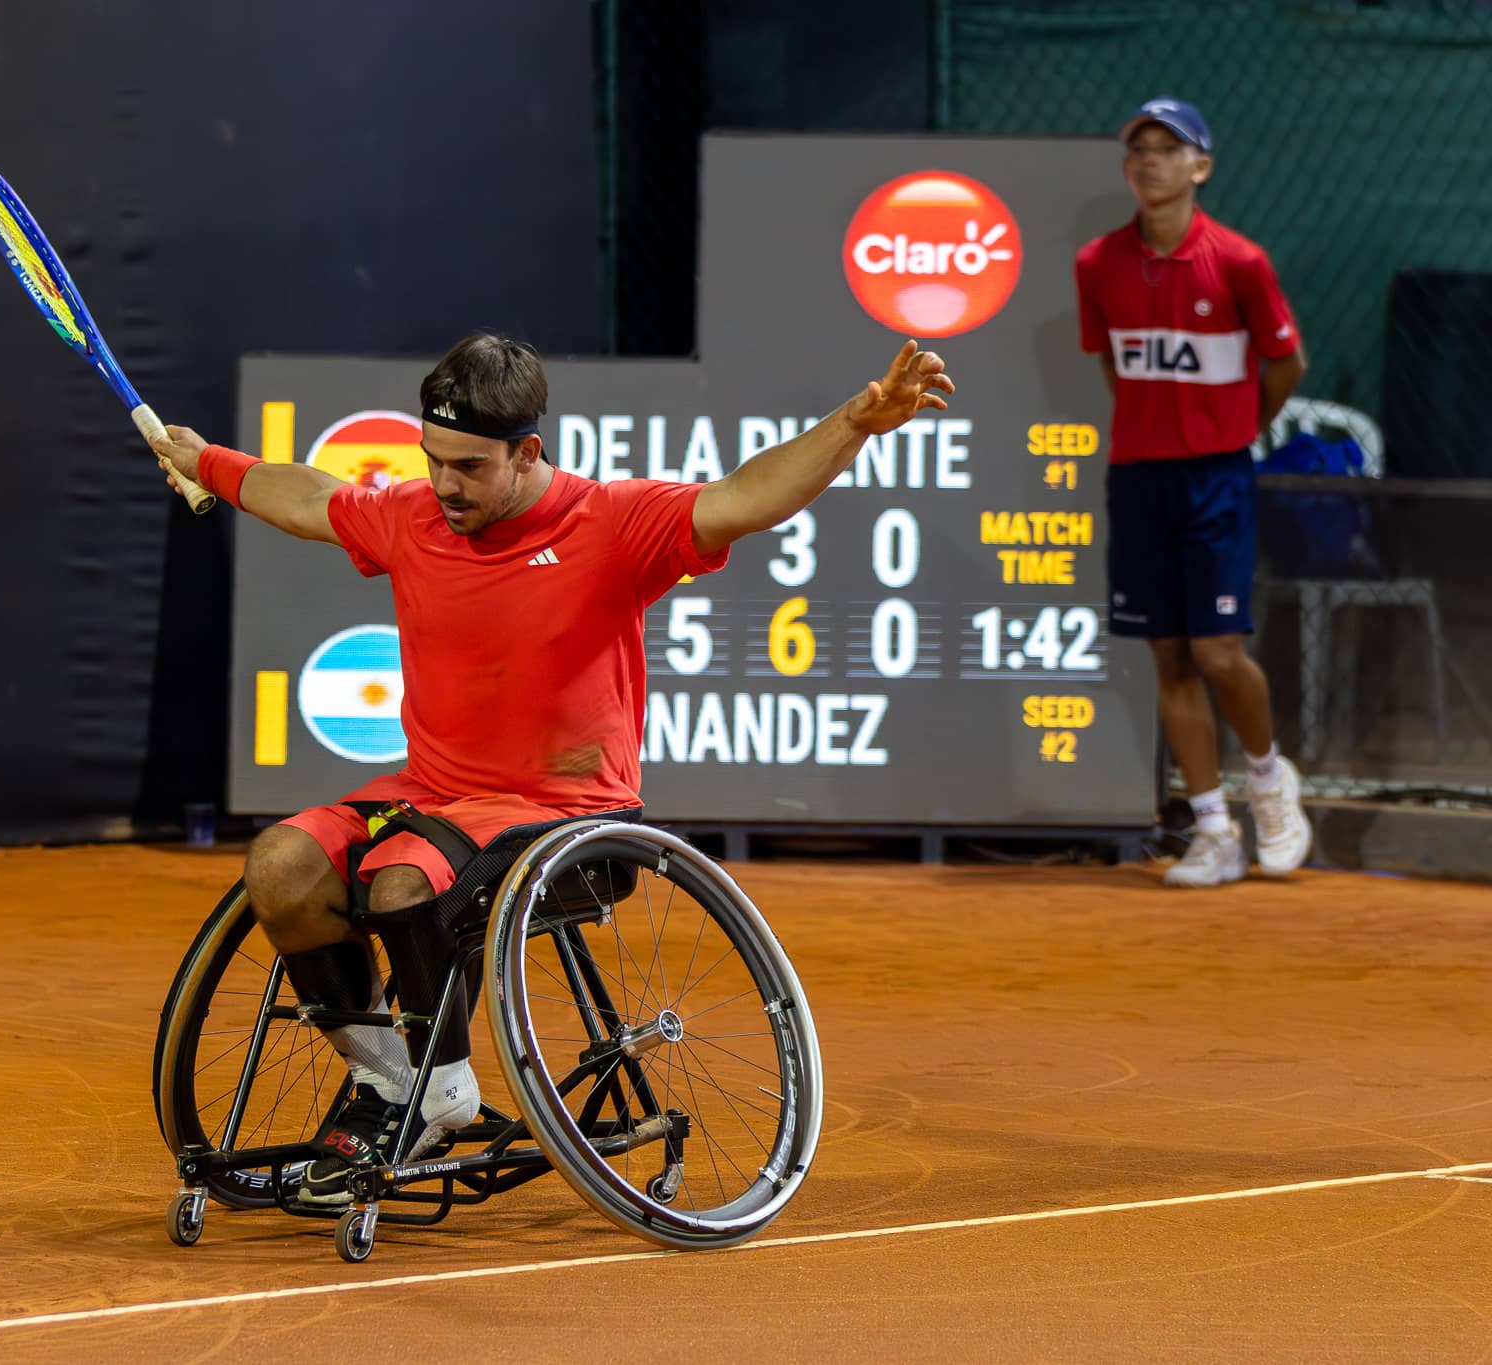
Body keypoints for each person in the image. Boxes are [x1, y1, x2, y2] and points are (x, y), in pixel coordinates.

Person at [153, 332, 952, 1202]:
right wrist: (211, 462)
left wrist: (857, 424)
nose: (445, 485)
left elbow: (747, 497)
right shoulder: (415, 516)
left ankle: (439, 1086)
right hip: (431, 799)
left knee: (398, 880)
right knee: (279, 864)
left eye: (468, 466)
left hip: (567, 816)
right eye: (433, 460)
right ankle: (391, 1079)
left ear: (527, 451)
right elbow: (314, 496)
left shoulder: (611, 523)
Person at [1075, 97, 1313, 889]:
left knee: (1218, 651)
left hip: (1217, 475)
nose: (1150, 162)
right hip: (1139, 477)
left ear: (1200, 168)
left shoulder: (1241, 263)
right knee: (1168, 655)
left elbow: (1287, 366)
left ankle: (1269, 780)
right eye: (1138, 149)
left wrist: (1229, 428)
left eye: (1168, 149)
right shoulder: (1096, 265)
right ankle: (1214, 829)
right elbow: (1115, 364)